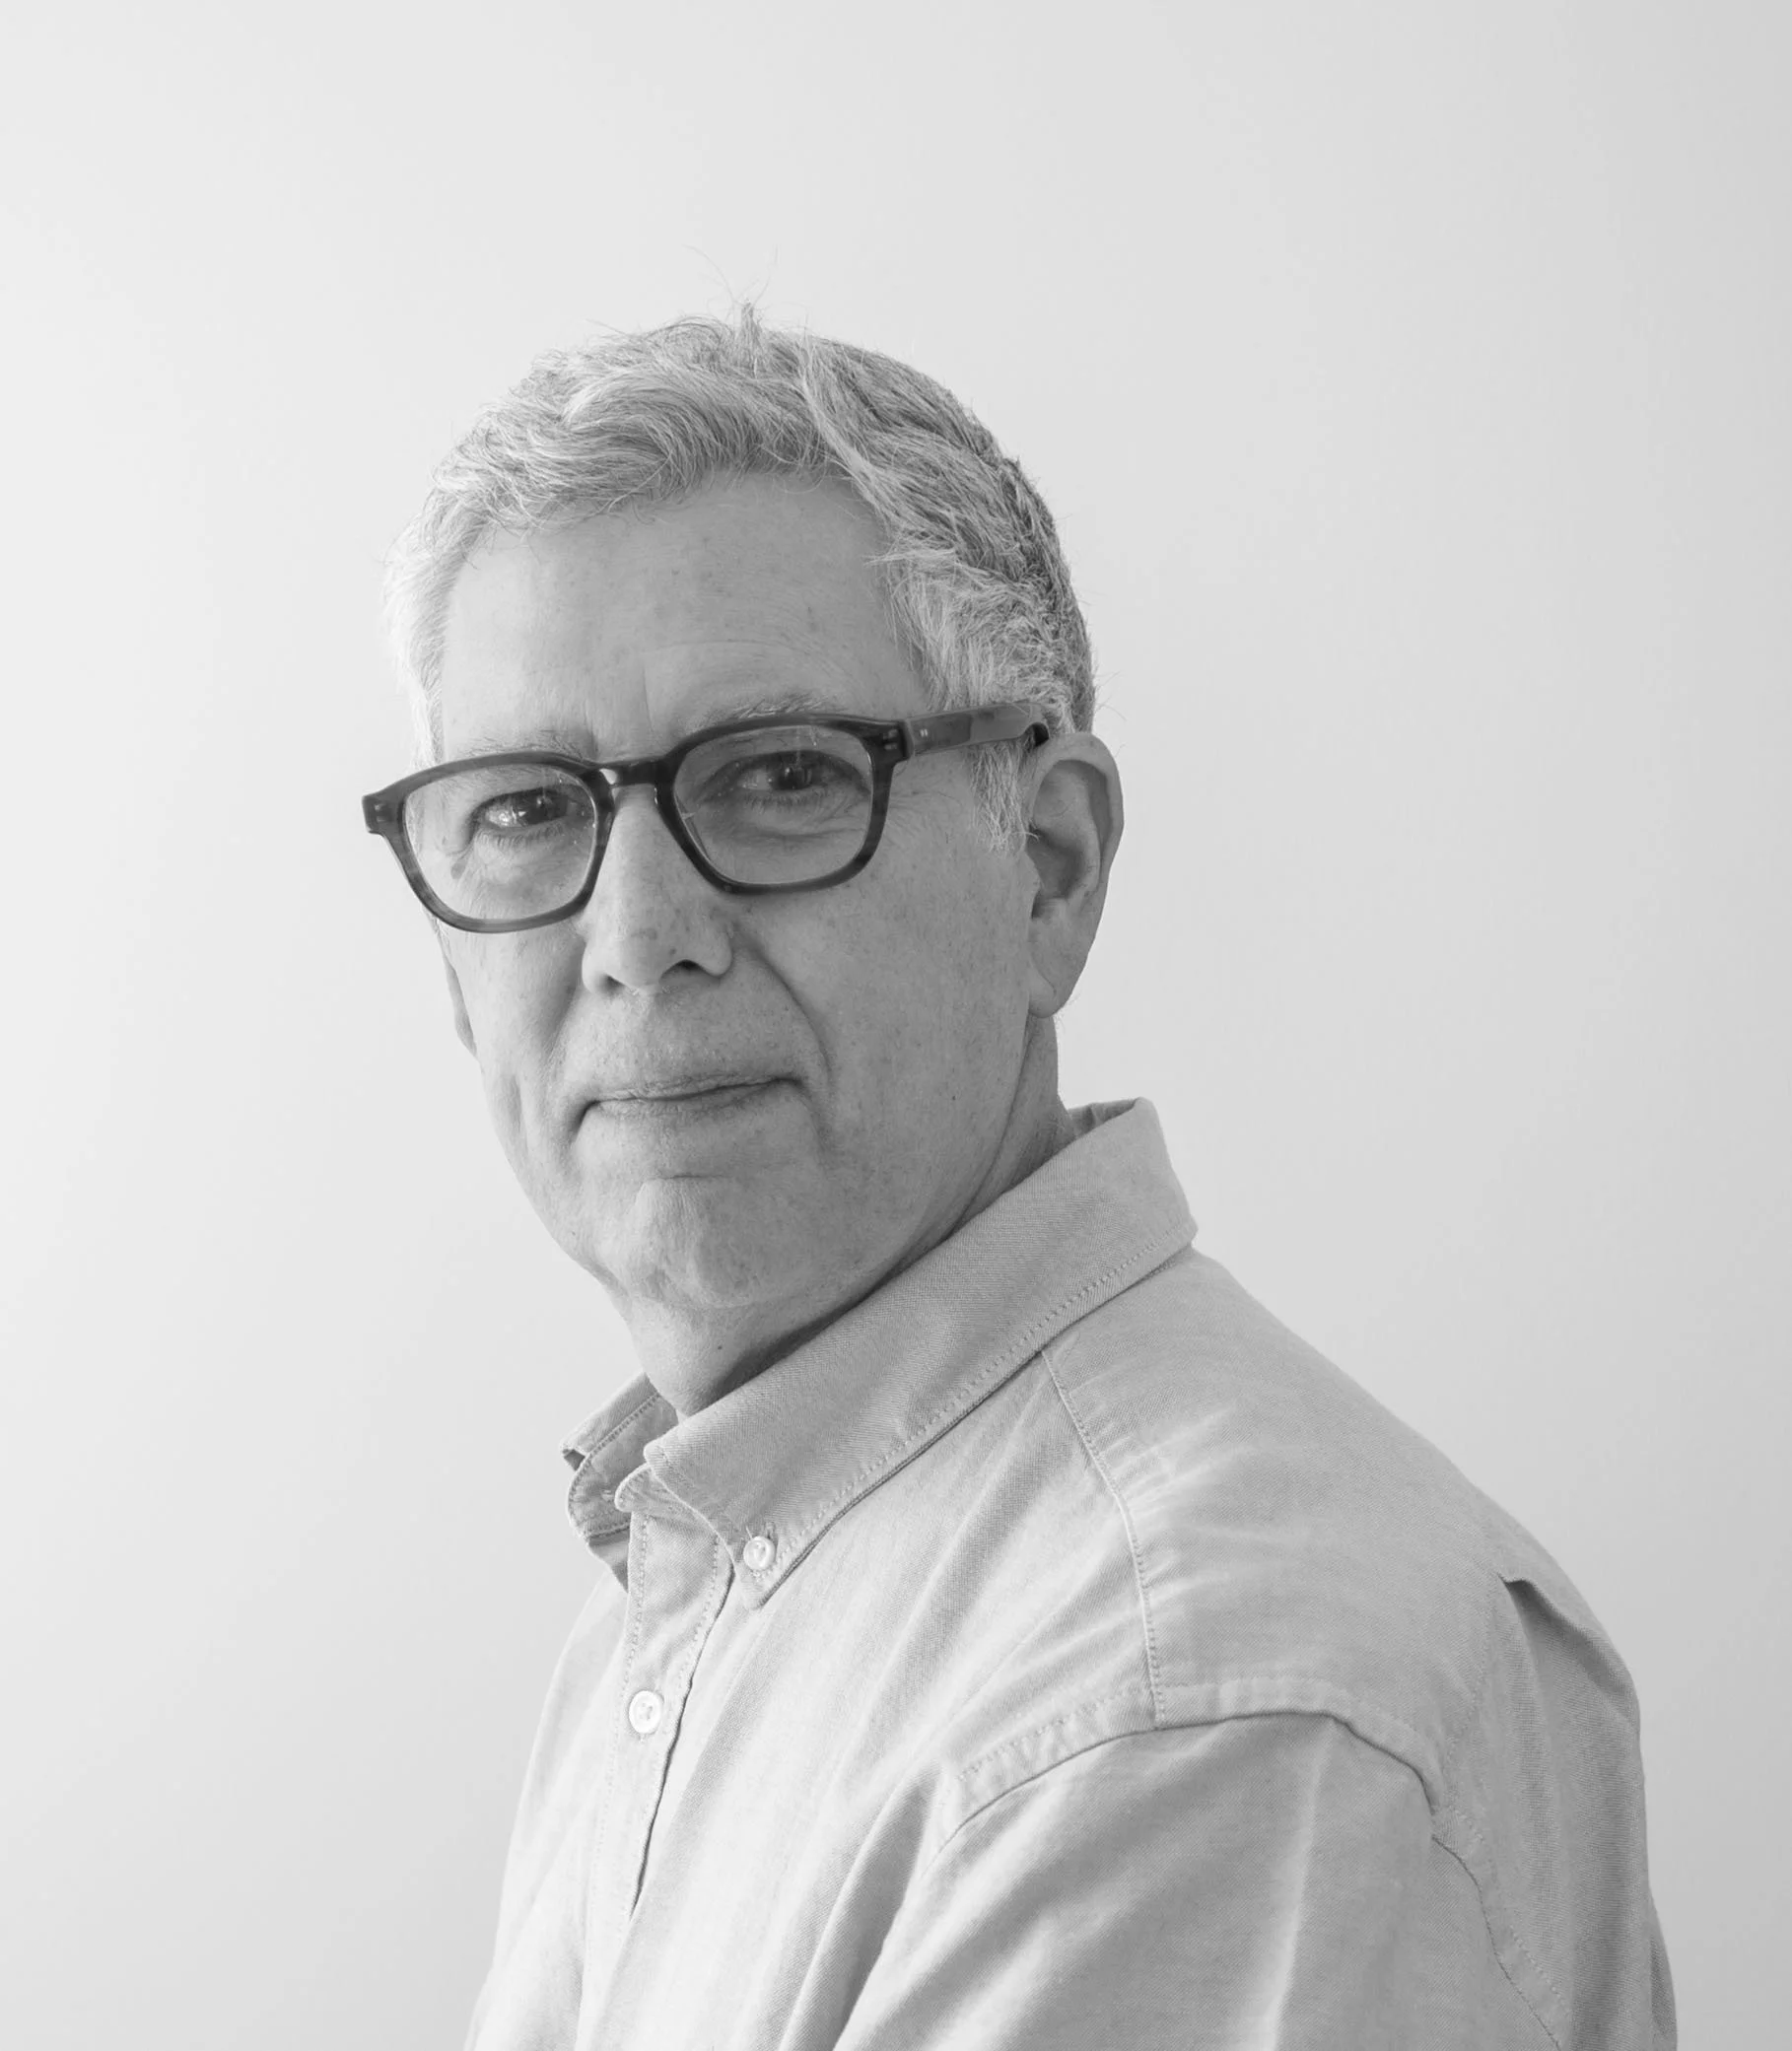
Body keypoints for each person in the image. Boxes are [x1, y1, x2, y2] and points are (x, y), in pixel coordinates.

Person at [362, 310, 1675, 2049]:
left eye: (776, 780)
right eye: (529, 812)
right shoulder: (708, 1573)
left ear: (1045, 868)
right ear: (452, 953)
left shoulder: (1186, 1702)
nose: (637, 939)